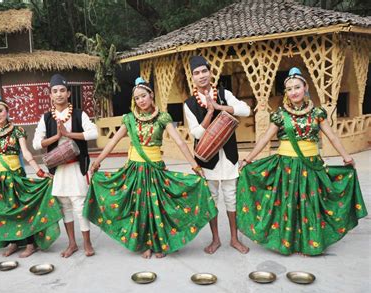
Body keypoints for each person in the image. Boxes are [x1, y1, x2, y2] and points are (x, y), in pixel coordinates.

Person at [236, 67, 368, 255]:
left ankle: (310, 243)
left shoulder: (318, 113)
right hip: (286, 167)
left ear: (305, 87)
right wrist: (248, 160)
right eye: (289, 89)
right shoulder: (280, 115)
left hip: (311, 166)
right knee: (288, 205)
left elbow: (332, 137)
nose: (293, 92)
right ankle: (288, 242)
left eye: (297, 87)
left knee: (309, 204)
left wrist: (346, 156)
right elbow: (265, 139)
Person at [84, 77, 217, 259]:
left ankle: (160, 243)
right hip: (134, 170)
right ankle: (145, 244)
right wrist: (97, 161)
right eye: (137, 98)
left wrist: (194, 165)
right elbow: (113, 141)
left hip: (156, 169)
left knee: (158, 206)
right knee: (140, 207)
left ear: (151, 95)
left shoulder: (163, 117)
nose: (141, 100)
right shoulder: (129, 119)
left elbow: (179, 142)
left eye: (143, 96)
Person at [0, 95, 62, 258]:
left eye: (0, 111)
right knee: (3, 212)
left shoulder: (17, 131)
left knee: (22, 209)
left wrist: (39, 171)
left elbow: (26, 153)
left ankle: (30, 244)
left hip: (15, 177)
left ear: (7, 111)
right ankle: (13, 243)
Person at [184, 56, 250, 254]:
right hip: (207, 160)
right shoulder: (189, 103)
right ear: (192, 77)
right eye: (197, 73)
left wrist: (220, 107)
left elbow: (245, 110)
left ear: (210, 72)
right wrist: (210, 113)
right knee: (212, 200)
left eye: (204, 71)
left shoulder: (224, 93)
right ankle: (215, 239)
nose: (201, 76)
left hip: (228, 157)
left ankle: (234, 239)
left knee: (231, 198)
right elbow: (195, 133)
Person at [33, 74, 99, 258]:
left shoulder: (79, 114)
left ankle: (87, 243)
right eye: (55, 91)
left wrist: (69, 134)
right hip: (58, 169)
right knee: (64, 206)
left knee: (79, 205)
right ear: (50, 95)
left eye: (62, 90)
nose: (59, 94)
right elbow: (36, 144)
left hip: (76, 167)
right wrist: (55, 138)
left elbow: (93, 133)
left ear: (68, 93)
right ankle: (72, 244)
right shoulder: (46, 117)